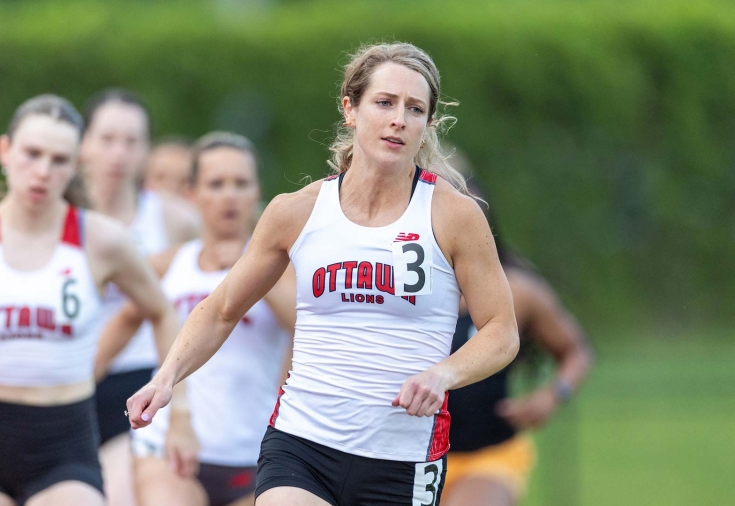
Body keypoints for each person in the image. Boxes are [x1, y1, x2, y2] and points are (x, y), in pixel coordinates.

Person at [127, 42, 520, 506]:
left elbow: (502, 331)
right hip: (301, 445)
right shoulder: (297, 212)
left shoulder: (453, 216)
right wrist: (166, 376)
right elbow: (221, 308)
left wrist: (443, 374)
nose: (399, 119)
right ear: (350, 109)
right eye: (385, 103)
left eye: (415, 109)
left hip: (401, 459)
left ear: (428, 124)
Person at [0, 94, 177, 506]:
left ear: (76, 165)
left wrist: (174, 403)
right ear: (5, 151)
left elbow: (162, 311)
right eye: (32, 154)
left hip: (63, 444)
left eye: (59, 160)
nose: (42, 171)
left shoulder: (102, 241)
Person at [104, 132, 296, 506]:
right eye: (216, 184)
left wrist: (254, 272)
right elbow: (125, 320)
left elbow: (306, 329)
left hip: (253, 453)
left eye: (241, 184)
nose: (229, 195)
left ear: (257, 192)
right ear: (191, 192)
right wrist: (73, 388)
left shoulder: (284, 269)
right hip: (169, 448)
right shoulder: (166, 265)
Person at [439, 175, 593, 506]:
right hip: (406, 458)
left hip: (488, 457)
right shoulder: (400, 290)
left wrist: (553, 395)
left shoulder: (518, 291)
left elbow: (576, 349)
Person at [79, 89, 198, 506]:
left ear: (146, 150)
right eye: (107, 139)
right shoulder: (58, 218)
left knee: (119, 495)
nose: (119, 153)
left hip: (140, 380)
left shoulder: (174, 219)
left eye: (132, 142)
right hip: (68, 379)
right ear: (83, 145)